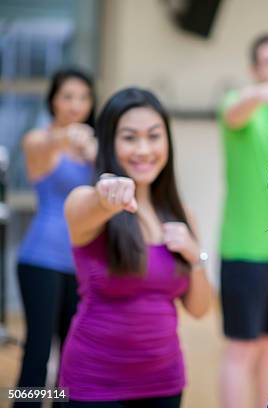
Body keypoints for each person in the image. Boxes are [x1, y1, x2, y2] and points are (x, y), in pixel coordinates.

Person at [59, 87, 213, 407]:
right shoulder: (86, 202)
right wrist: (107, 194)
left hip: (165, 383)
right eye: (130, 138)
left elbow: (199, 310)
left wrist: (195, 255)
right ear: (110, 143)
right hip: (93, 384)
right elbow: (91, 204)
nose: (144, 149)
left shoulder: (183, 215)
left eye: (154, 136)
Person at [217, 32, 268, 408]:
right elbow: (235, 112)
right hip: (243, 252)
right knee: (241, 350)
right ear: (255, 69)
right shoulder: (238, 106)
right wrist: (257, 94)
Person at [15, 67, 96, 406]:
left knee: (73, 353)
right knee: (37, 349)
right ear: (53, 101)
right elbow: (41, 144)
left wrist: (94, 147)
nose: (76, 104)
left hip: (82, 263)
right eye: (68, 96)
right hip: (41, 259)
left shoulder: (95, 144)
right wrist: (68, 137)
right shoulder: (39, 139)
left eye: (83, 97)